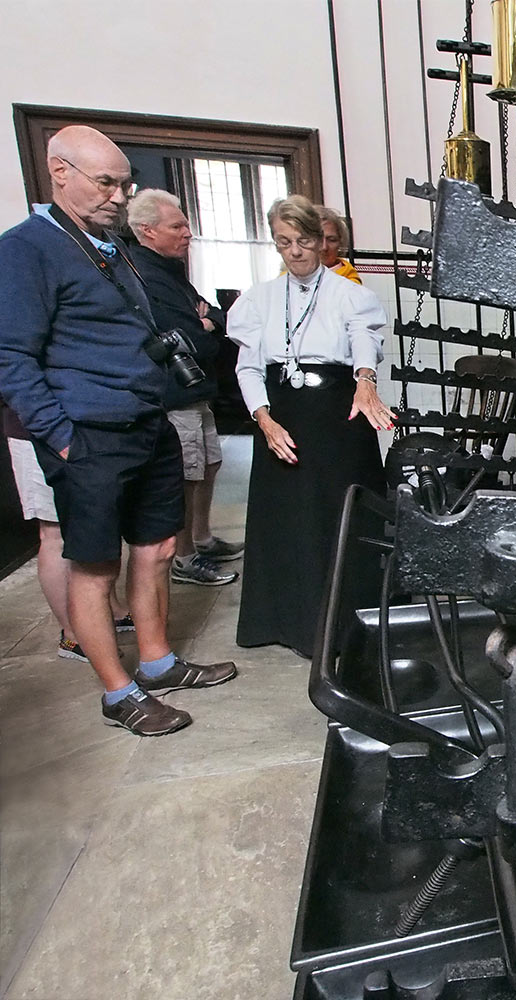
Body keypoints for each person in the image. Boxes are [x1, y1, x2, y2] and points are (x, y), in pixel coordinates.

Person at [0, 125, 236, 736]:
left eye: (124, 183)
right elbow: (12, 357)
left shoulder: (110, 247)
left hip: (145, 421)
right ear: (59, 172)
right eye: (106, 182)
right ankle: (117, 691)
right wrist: (60, 435)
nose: (118, 195)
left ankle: (156, 663)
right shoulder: (27, 248)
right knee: (94, 565)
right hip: (87, 432)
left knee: (158, 546)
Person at [228, 194, 394, 657]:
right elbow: (248, 369)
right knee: (289, 518)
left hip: (339, 412)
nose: (296, 252)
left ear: (322, 241)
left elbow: (364, 340)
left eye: (304, 241)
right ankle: (289, 622)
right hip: (282, 415)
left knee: (341, 513)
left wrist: (365, 381)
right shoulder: (258, 300)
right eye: (285, 243)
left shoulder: (350, 294)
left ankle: (351, 620)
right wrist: (263, 420)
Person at [126, 188, 241, 587]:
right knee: (186, 474)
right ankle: (185, 558)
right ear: (147, 231)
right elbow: (193, 338)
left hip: (196, 391)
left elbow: (216, 319)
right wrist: (207, 327)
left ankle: (202, 538)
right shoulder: (144, 274)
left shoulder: (171, 271)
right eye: (177, 225)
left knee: (209, 464)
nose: (187, 233)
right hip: (174, 393)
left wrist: (211, 323)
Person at [4, 397, 133, 659]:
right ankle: (72, 635)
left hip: (85, 427)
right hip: (38, 431)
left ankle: (114, 612)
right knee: (55, 533)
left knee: (96, 524)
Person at [315, 206, 361, 284]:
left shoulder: (350, 285)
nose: (324, 247)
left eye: (332, 240)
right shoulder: (289, 279)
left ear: (340, 242)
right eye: (317, 239)